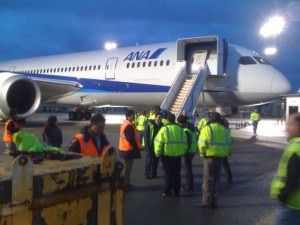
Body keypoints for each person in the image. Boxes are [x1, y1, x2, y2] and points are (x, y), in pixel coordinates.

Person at [270, 113, 300, 225]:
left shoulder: (296, 148)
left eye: (288, 125)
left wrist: (283, 196)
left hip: (292, 204)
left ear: (297, 128)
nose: (286, 128)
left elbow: (293, 179)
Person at [198, 112, 232, 208]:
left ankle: (206, 201)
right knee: (217, 180)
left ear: (210, 119)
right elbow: (229, 143)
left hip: (209, 157)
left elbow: (202, 144)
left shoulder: (207, 129)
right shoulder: (224, 130)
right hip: (220, 158)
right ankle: (215, 201)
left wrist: (202, 154)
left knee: (207, 180)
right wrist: (225, 153)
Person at [154, 112, 187, 197]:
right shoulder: (180, 129)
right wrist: (183, 152)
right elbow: (185, 142)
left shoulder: (164, 129)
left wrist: (157, 153)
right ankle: (176, 191)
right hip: (177, 155)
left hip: (167, 155)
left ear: (167, 120)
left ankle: (168, 191)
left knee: (168, 174)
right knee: (177, 174)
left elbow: (158, 142)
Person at [118, 109, 142, 191]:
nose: (134, 116)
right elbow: (131, 139)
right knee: (127, 168)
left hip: (125, 148)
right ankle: (124, 184)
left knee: (127, 167)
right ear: (128, 116)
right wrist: (136, 148)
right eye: (133, 115)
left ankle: (127, 182)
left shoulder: (126, 123)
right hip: (128, 149)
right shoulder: (128, 125)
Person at [177, 115, 197, 193]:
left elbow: (187, 143)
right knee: (189, 168)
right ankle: (190, 185)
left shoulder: (186, 130)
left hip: (188, 151)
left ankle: (189, 186)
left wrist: (183, 151)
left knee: (188, 169)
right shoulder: (191, 126)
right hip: (192, 150)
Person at [144, 111, 163, 179]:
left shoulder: (162, 125)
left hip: (157, 146)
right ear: (155, 117)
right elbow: (146, 135)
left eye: (161, 117)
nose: (160, 118)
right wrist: (147, 146)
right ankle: (147, 174)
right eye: (159, 117)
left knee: (155, 161)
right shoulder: (149, 124)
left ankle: (154, 173)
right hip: (150, 145)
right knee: (149, 161)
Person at [220, 115, 233, 184]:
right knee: (226, 165)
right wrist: (229, 150)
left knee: (218, 166)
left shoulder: (221, 130)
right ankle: (229, 178)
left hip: (219, 150)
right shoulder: (227, 129)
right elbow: (229, 141)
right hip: (225, 150)